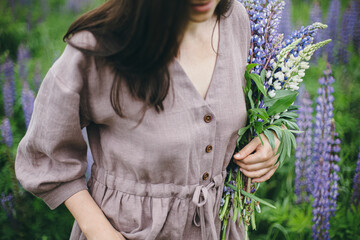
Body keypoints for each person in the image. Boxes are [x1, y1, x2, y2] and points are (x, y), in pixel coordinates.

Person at [15, 0, 280, 239]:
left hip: (220, 228)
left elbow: (247, 107)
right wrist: (97, 229)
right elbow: (44, 153)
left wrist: (267, 140)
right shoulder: (101, 46)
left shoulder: (236, 20)